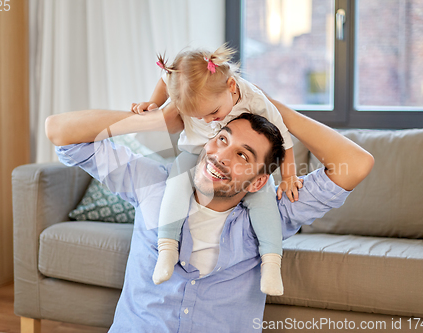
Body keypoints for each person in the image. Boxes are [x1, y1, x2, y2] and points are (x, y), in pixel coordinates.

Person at [45, 99, 374, 332]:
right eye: (221, 140)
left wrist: (272, 107)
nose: (220, 157)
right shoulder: (153, 184)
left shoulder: (275, 212)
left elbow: (357, 164)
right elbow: (59, 132)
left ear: (259, 181)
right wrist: (157, 120)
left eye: (241, 155)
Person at [131, 45, 302, 295]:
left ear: (231, 86)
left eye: (213, 113)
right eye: (199, 117)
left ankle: (272, 262)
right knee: (176, 184)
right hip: (195, 152)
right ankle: (167, 248)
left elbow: (283, 137)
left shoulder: (253, 98)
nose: (209, 121)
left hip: (232, 161)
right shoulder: (182, 81)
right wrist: (154, 103)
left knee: (263, 197)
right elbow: (165, 79)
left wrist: (289, 176)